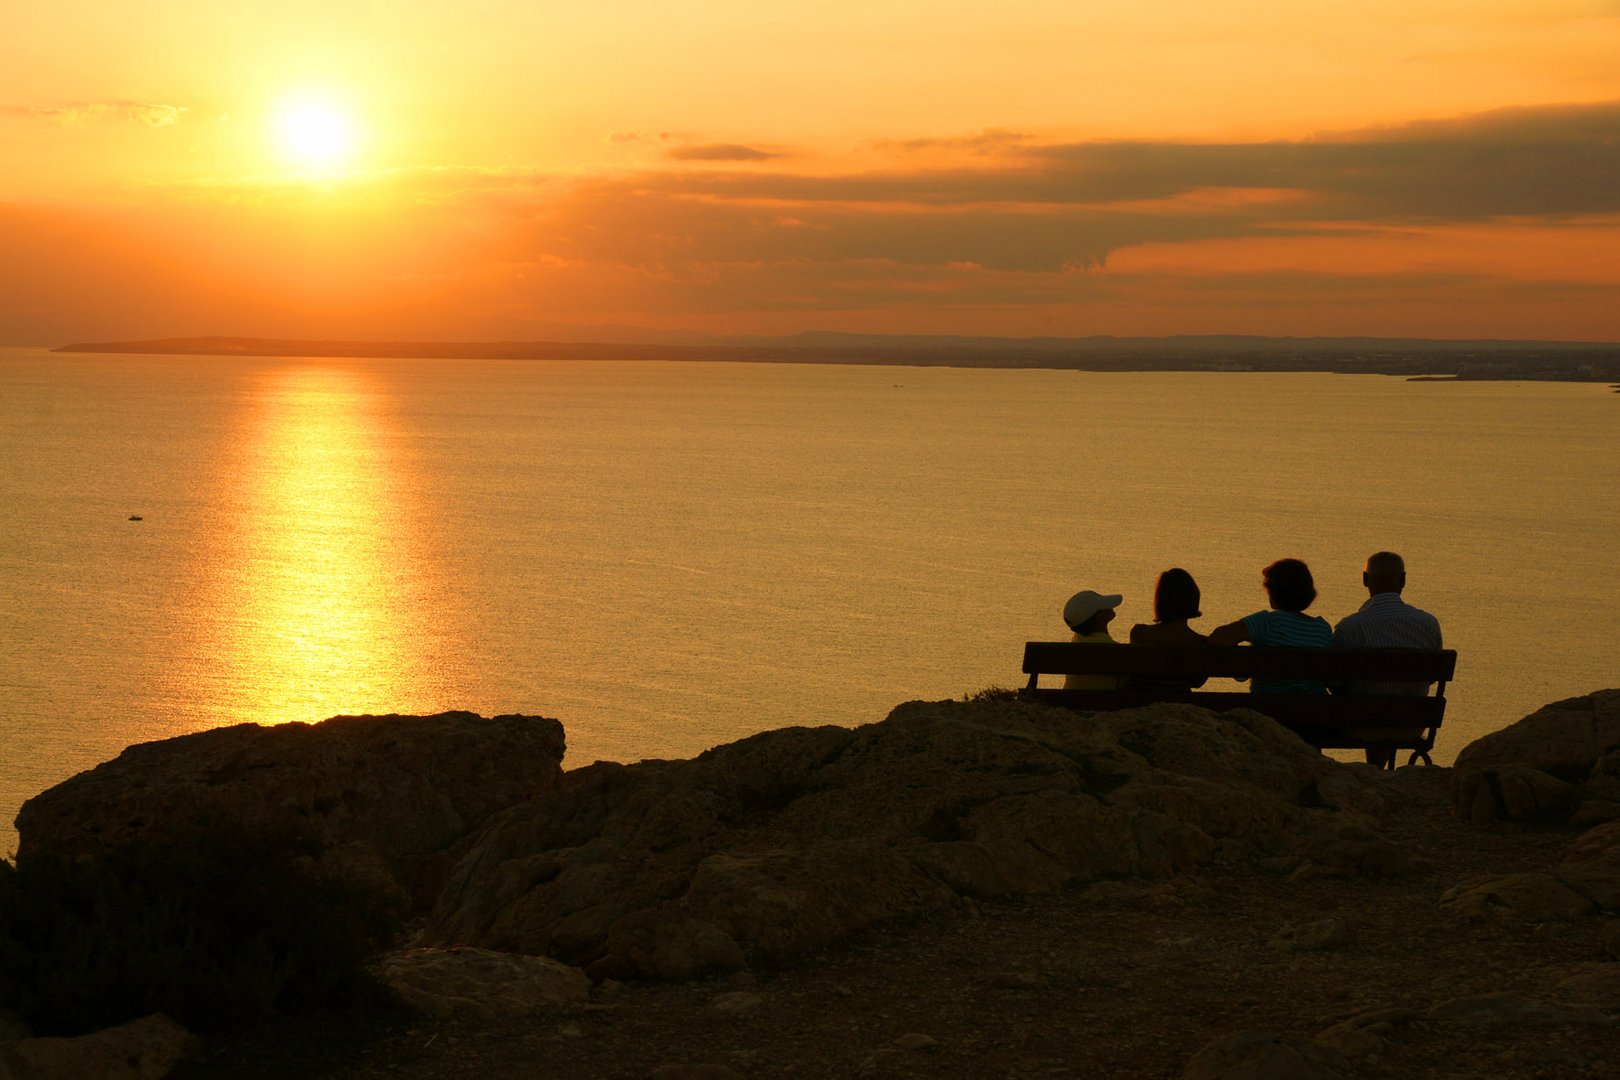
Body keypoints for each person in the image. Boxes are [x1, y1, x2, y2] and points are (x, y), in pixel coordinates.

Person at [1332, 551, 1444, 766]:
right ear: (1403, 579)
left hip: (1361, 724)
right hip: (1412, 723)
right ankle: (1379, 770)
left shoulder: (1350, 627)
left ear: (1365, 580)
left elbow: (1335, 683)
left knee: (1366, 701)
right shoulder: (1429, 624)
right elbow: (1430, 678)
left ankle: (1376, 771)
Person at [1208, 558, 1331, 693]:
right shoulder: (1322, 629)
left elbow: (1218, 638)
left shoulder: (1267, 622)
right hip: (1313, 710)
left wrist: (1247, 659)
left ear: (1272, 591)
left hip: (1266, 709)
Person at [1127, 568, 1208, 690]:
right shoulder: (1201, 643)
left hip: (1143, 700)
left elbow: (1136, 674)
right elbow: (1197, 682)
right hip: (1182, 701)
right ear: (1193, 599)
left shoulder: (1139, 633)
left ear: (1160, 600)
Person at [1061, 589, 1122, 690]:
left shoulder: (1077, 640)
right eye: (1102, 606)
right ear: (1098, 617)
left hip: (1069, 700)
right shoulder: (1116, 651)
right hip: (1104, 703)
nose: (1109, 606)